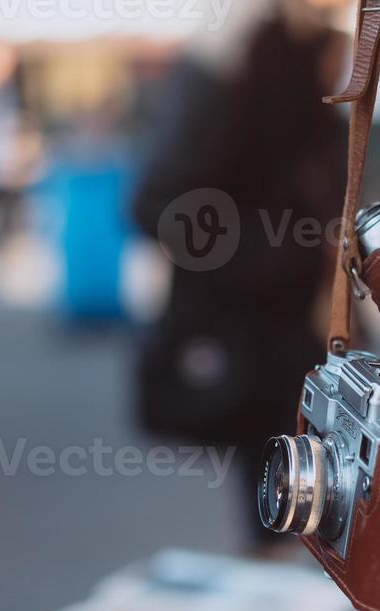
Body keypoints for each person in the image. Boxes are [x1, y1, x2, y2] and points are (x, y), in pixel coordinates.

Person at [132, 5, 347, 550]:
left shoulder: (294, 53)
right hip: (252, 332)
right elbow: (156, 204)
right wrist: (278, 258)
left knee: (305, 501)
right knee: (278, 502)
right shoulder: (238, 62)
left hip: (290, 328)